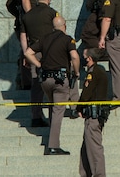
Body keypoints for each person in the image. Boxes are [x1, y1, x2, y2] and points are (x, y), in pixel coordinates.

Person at [25, 15, 80, 155]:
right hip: (60, 80)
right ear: (65, 26)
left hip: (45, 79)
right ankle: (53, 146)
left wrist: (39, 65)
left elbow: (28, 52)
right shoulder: (68, 39)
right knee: (58, 110)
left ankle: (51, 136)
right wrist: (77, 71)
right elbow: (74, 56)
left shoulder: (44, 38)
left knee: (52, 106)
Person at [19, 0, 58, 127]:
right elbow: (58, 32)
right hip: (50, 52)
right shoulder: (52, 13)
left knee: (36, 84)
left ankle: (36, 116)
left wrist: (26, 55)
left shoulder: (26, 16)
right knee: (54, 81)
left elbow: (23, 38)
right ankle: (55, 114)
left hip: (33, 52)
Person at [78, 48, 110, 177]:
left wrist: (78, 108)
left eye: (85, 58)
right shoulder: (100, 71)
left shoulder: (93, 73)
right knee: (86, 149)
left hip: (93, 116)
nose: (84, 61)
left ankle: (98, 174)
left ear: (90, 59)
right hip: (95, 115)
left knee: (94, 149)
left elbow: (86, 93)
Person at [15, 0, 44, 90]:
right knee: (27, 49)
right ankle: (27, 83)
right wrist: (31, 17)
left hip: (34, 15)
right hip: (29, 17)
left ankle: (28, 81)